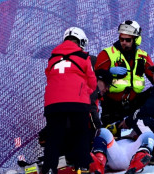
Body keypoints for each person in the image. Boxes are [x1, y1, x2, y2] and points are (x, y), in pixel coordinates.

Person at [42, 27, 97, 174]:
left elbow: (49, 76)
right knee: (80, 134)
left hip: (53, 103)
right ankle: (82, 167)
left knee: (53, 137)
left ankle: (49, 168)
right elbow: (92, 82)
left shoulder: (52, 57)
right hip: (78, 101)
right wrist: (85, 92)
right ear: (80, 41)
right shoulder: (84, 57)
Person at [94, 20, 154, 128]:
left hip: (135, 104)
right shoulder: (106, 54)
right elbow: (94, 76)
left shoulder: (143, 56)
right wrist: (108, 72)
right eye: (121, 39)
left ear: (136, 40)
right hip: (112, 105)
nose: (124, 42)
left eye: (128, 40)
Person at [122, 60, 154, 163]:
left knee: (139, 120)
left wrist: (128, 122)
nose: (153, 77)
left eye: (153, 74)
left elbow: (148, 110)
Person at [89, 128, 154, 174]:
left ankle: (99, 160)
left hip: (126, 153)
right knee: (149, 135)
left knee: (103, 132)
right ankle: (141, 155)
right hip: (122, 153)